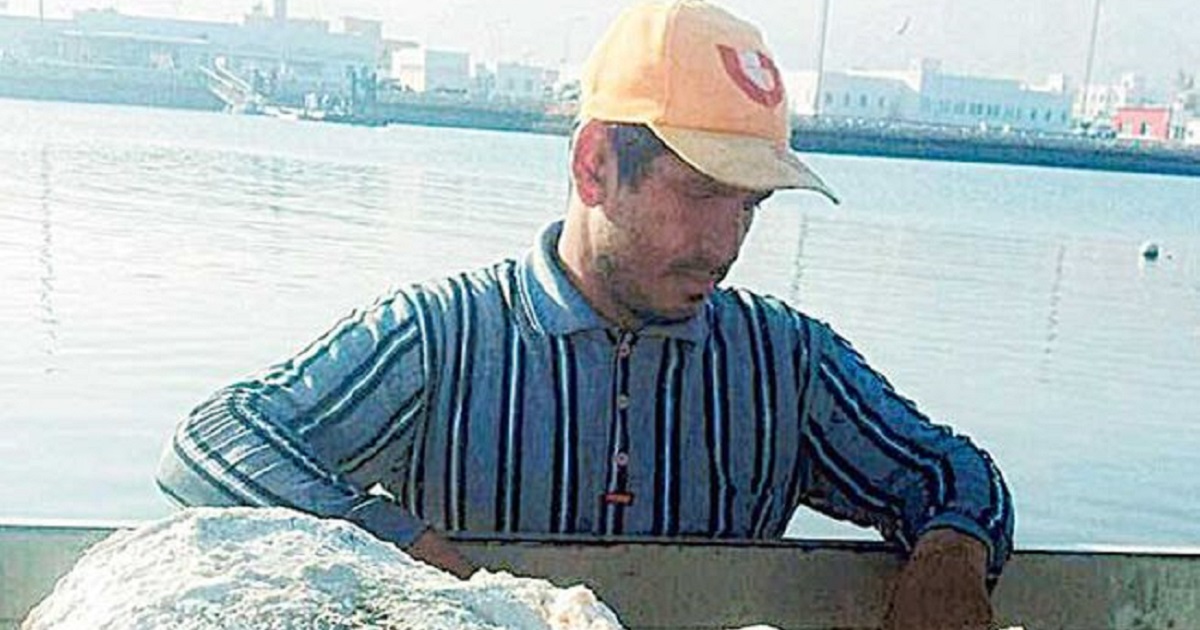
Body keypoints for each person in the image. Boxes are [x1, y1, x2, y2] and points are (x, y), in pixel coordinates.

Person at [156, 1, 1014, 628]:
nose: (725, 245)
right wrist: (406, 553)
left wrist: (949, 554)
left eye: (751, 206)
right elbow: (211, 447)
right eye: (702, 193)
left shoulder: (787, 363)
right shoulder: (441, 337)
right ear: (595, 163)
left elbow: (951, 475)